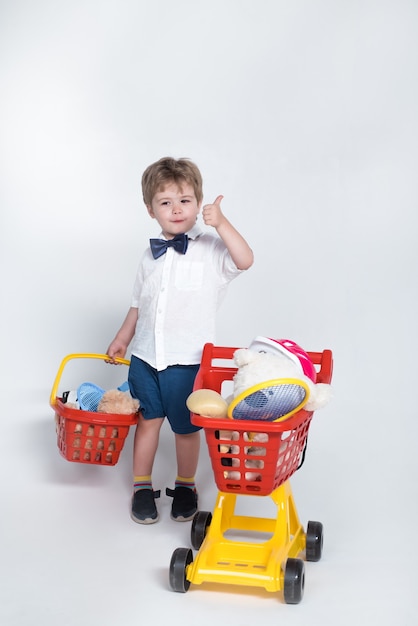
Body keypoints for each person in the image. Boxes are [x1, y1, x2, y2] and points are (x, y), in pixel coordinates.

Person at [106, 156, 253, 524]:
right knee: (148, 422)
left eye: (185, 200)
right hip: (144, 357)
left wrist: (222, 224)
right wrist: (123, 338)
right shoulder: (149, 256)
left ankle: (185, 485)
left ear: (198, 202)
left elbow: (246, 259)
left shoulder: (210, 250)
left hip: (186, 361)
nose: (176, 209)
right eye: (165, 202)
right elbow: (139, 304)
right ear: (150, 209)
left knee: (186, 429)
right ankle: (142, 487)